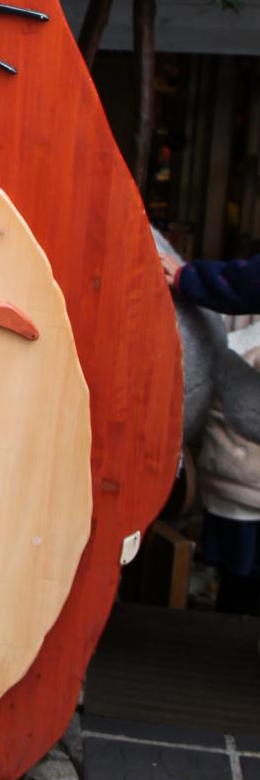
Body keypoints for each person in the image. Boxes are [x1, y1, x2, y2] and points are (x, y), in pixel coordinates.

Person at [164, 248, 260, 614]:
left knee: (240, 590)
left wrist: (188, 278)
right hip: (243, 486)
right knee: (241, 588)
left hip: (240, 483)